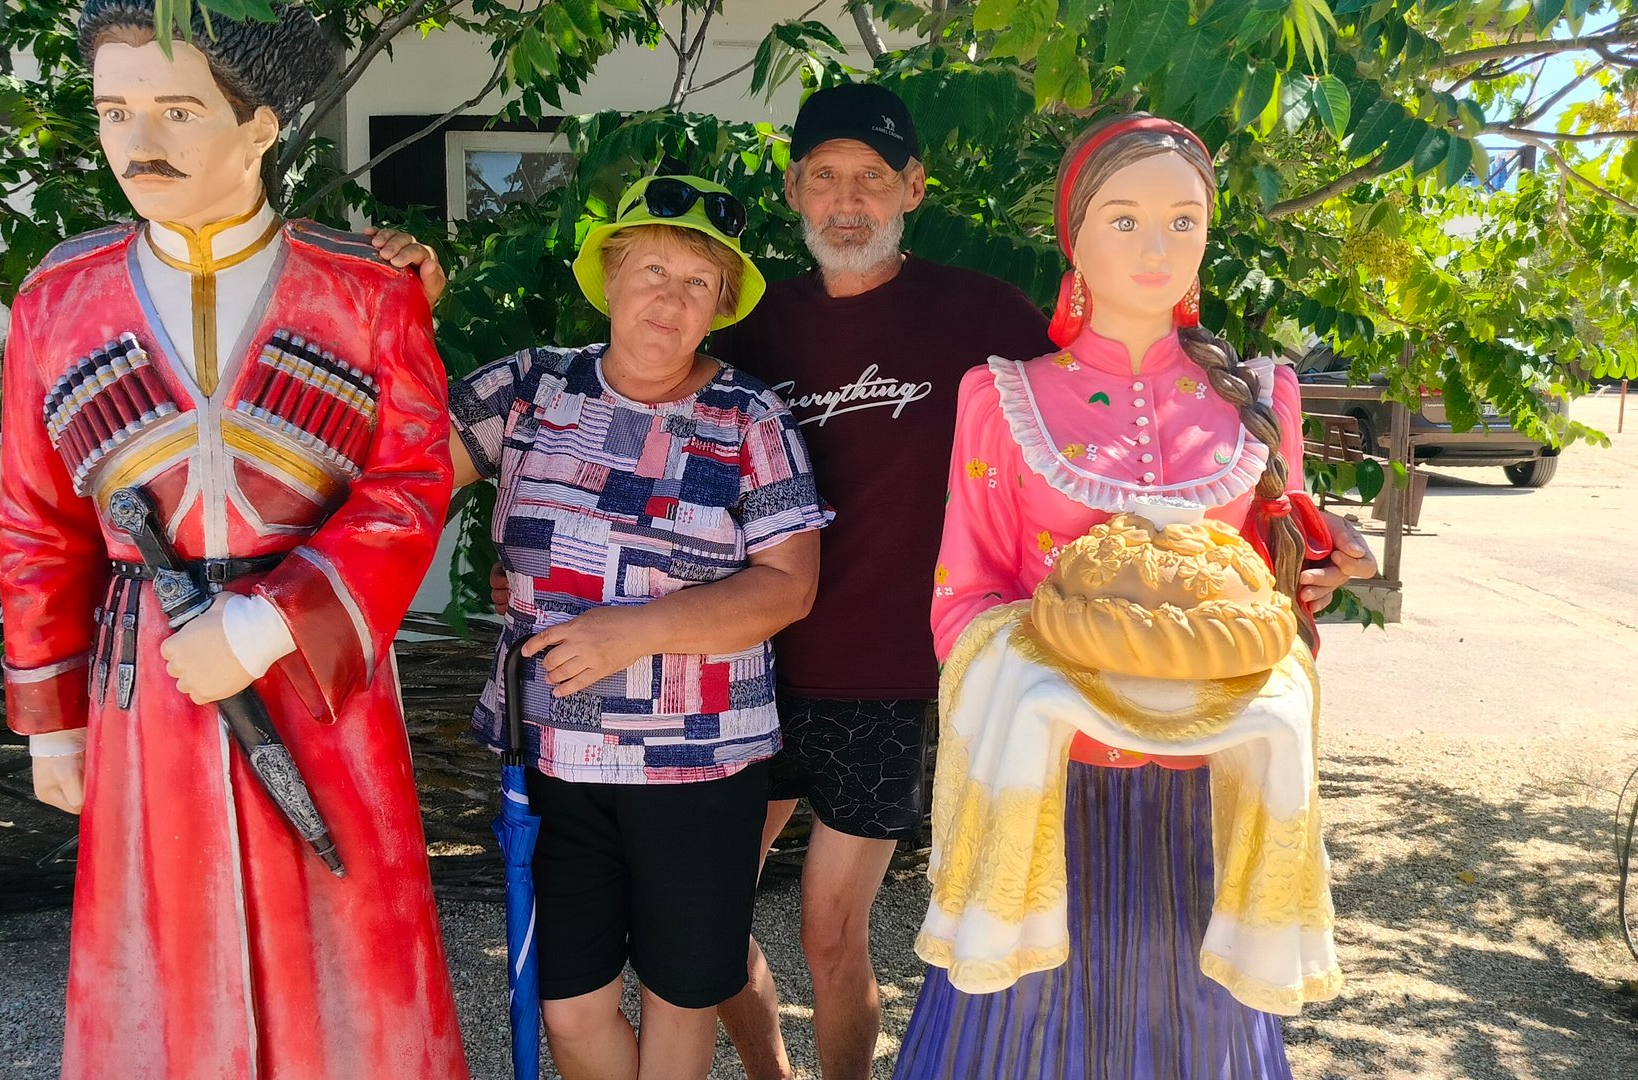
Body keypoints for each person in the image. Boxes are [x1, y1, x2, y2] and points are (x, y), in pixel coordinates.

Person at [0, 3, 467, 1076]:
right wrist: (51, 722)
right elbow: (36, 519)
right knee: (165, 946)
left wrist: (268, 624)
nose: (137, 141)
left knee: (351, 940)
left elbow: (408, 484)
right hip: (146, 677)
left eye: (176, 110)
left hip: (317, 673)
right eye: (114, 111)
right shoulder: (57, 301)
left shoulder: (369, 291)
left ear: (259, 127)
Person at [893, 113, 1347, 1080]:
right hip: (1051, 782)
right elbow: (963, 599)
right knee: (1026, 1034)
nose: (1157, 248)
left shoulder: (1262, 396)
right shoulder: (1002, 398)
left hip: (1207, 783)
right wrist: (1055, 686)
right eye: (1126, 218)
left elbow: (1269, 594)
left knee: (1194, 1029)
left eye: (1185, 222)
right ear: (1076, 237)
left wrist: (1310, 587)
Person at [703, 82, 1057, 1080]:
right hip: (747, 671)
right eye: (824, 176)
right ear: (793, 191)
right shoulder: (750, 326)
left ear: (914, 188)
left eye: (870, 176)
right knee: (703, 922)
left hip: (891, 682)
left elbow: (1088, 421)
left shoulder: (981, 315)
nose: (846, 200)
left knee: (829, 932)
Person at [446, 175, 830, 1080]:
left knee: (680, 998)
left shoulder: (751, 419)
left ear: (720, 307)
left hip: (700, 760)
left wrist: (632, 632)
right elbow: (397, 469)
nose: (671, 297)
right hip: (553, 758)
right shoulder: (531, 388)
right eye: (653, 269)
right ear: (610, 278)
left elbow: (789, 587)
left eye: (699, 282)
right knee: (569, 1008)